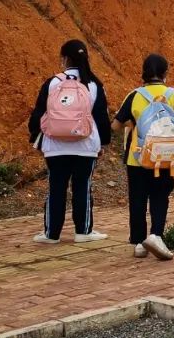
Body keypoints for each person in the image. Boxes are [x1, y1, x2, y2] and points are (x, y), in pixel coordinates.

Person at [27, 39, 112, 244]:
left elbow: (38, 114)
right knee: (82, 186)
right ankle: (83, 232)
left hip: (55, 145)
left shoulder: (52, 82)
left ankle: (51, 234)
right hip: (85, 145)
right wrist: (102, 144)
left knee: (56, 187)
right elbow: (101, 118)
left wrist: (36, 138)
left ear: (64, 59)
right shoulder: (93, 84)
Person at [111, 53, 174, 260]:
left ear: (144, 72)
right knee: (160, 196)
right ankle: (156, 234)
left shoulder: (135, 95)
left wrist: (133, 123)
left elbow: (116, 125)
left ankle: (139, 243)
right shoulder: (173, 94)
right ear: (166, 73)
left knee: (137, 199)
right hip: (164, 157)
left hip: (137, 158)